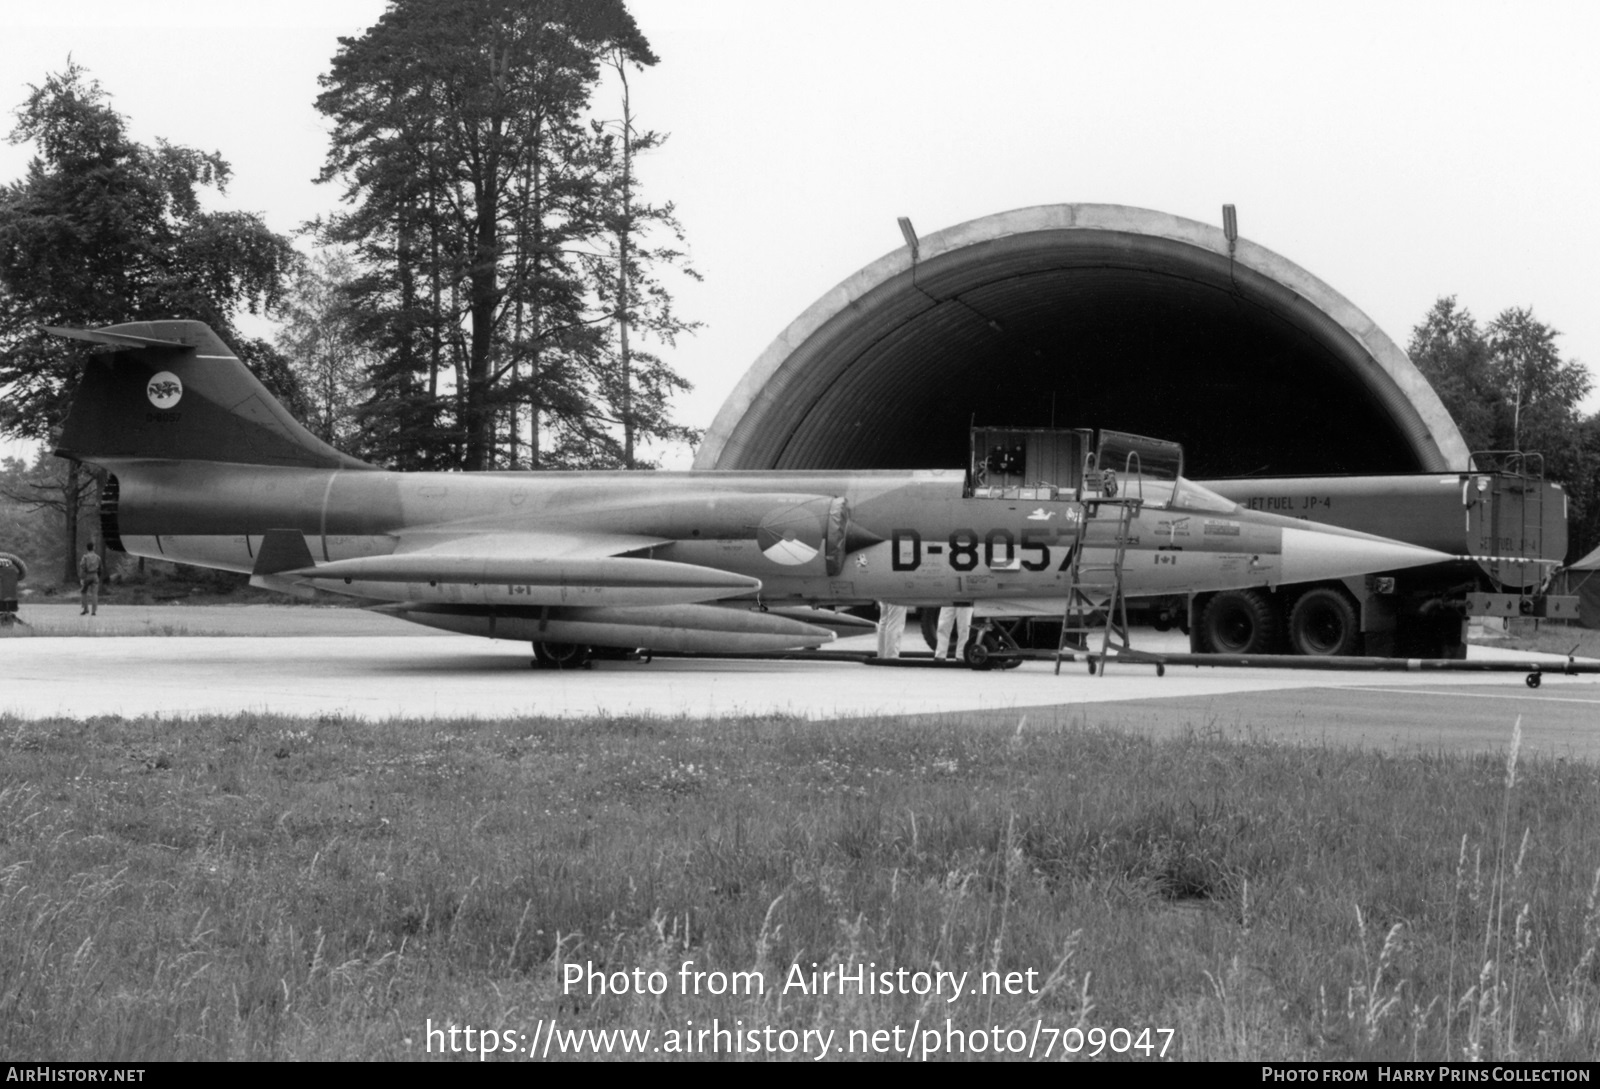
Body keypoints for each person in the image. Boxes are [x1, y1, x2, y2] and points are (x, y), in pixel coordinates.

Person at [78, 544, 102, 616]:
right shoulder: (98, 557)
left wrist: (82, 577)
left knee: (83, 591)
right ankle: (94, 611)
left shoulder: (85, 557)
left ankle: (85, 609)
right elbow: (100, 568)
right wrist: (98, 576)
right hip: (95, 575)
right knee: (94, 594)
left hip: (87, 575)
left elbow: (82, 566)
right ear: (93, 548)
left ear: (87, 548)